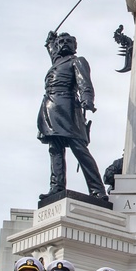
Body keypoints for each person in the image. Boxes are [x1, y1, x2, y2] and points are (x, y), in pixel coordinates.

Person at [37, 31, 107, 200]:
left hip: (68, 106)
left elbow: (85, 83)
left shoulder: (77, 61)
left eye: (69, 41)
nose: (65, 43)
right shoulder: (57, 62)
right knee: (55, 148)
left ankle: (97, 190)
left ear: (75, 46)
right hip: (50, 106)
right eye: (61, 41)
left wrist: (87, 100)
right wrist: (50, 41)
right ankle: (56, 187)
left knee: (79, 148)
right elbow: (52, 50)